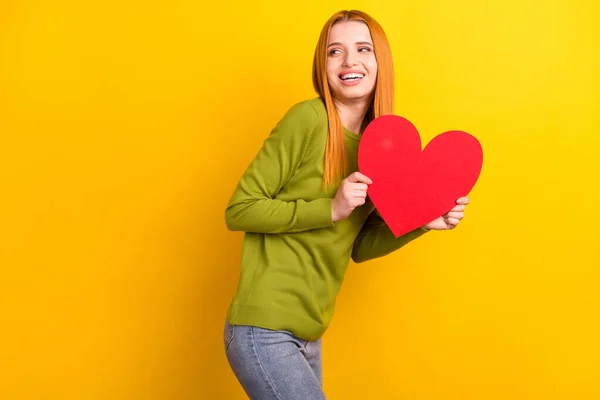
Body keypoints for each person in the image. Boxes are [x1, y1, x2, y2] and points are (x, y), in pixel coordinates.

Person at [222, 9, 469, 400]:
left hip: (309, 334)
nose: (349, 60)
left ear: (380, 61)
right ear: (322, 64)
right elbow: (240, 209)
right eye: (334, 51)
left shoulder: (383, 146)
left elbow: (359, 247)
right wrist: (330, 208)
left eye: (363, 49)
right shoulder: (308, 119)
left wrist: (422, 222)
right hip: (263, 329)